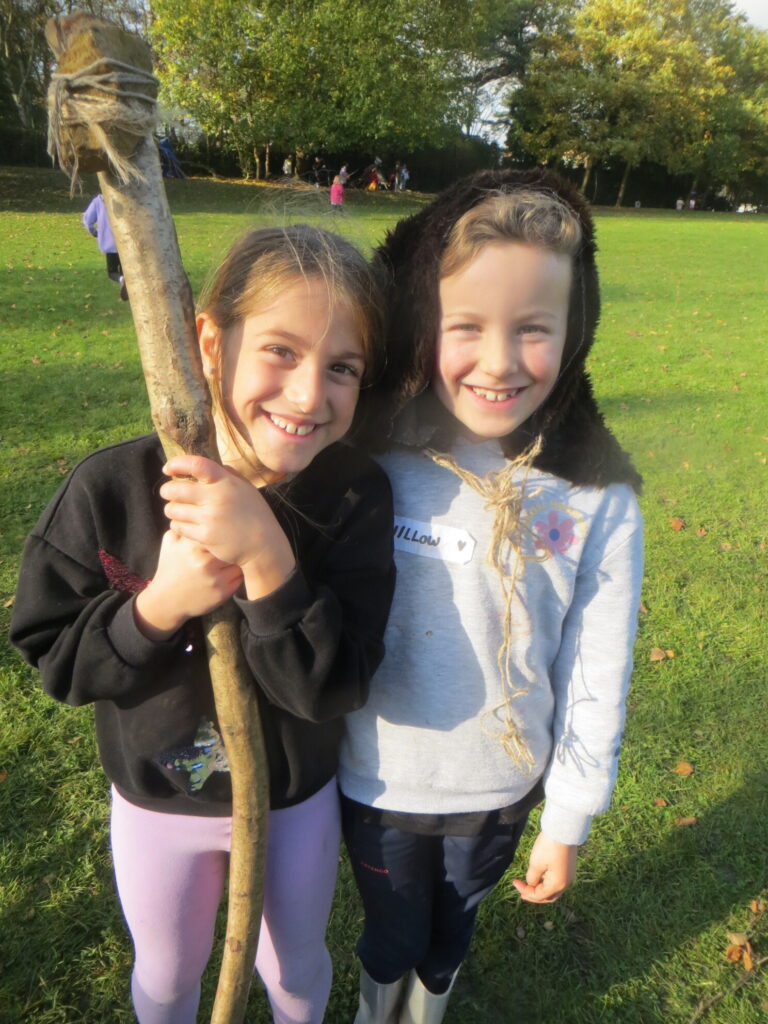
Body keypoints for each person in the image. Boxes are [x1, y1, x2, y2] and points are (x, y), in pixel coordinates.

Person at [10, 224, 395, 1024]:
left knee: (293, 973)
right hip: (158, 807)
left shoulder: (353, 495)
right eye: (281, 351)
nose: (307, 395)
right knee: (168, 974)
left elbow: (336, 685)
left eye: (342, 368)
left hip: (291, 801)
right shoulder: (109, 490)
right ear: (209, 342)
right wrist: (160, 605)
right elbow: (56, 657)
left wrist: (267, 559)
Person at [338, 168, 644, 1024]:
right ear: (421, 320)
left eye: (533, 329)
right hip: (376, 781)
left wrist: (570, 816)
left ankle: (428, 1011)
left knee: (449, 932)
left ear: (575, 330)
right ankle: (376, 1011)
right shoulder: (367, 455)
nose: (500, 362)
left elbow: (598, 666)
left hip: (501, 792)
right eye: (465, 326)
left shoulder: (597, 498)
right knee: (391, 932)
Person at [82, 192, 128, 300]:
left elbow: (87, 221)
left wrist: (94, 232)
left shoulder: (99, 201)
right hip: (126, 242)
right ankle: (127, 288)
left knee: (112, 272)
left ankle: (121, 280)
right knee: (126, 270)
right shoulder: (125, 197)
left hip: (110, 243)